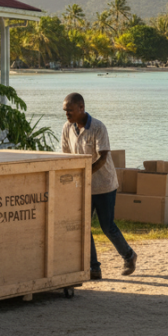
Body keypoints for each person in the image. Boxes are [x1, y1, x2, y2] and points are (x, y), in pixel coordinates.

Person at [61, 92, 136, 280]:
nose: (67, 114)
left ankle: (129, 256)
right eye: (65, 111)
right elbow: (66, 157)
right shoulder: (66, 128)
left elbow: (103, 157)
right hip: (82, 186)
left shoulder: (98, 127)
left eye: (70, 110)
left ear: (81, 108)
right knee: (84, 227)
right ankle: (94, 268)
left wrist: (85, 172)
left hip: (104, 185)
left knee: (107, 226)